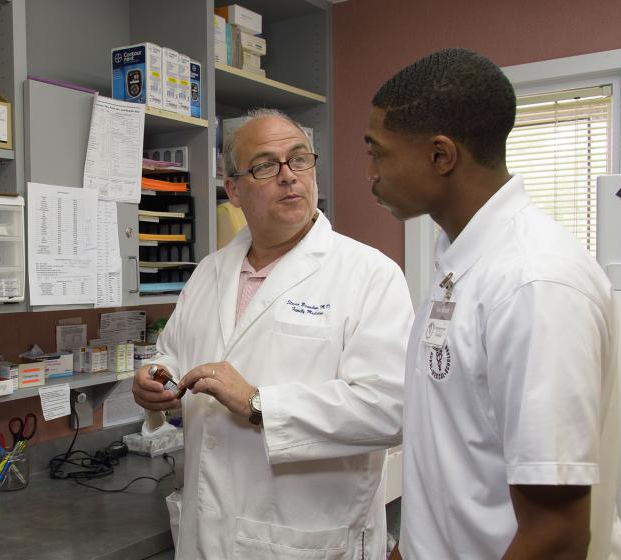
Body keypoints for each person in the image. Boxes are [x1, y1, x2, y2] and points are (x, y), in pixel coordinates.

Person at [365, 48, 621, 559]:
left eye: (378, 153)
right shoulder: (460, 262)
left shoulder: (533, 282)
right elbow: (456, 452)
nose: (370, 173)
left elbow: (556, 536)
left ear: (440, 156)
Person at [133, 108, 414, 559]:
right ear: (234, 190)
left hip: (305, 539)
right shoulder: (209, 272)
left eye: (299, 159)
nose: (288, 176)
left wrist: (261, 404)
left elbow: (391, 409)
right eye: (265, 166)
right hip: (207, 532)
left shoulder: (369, 274)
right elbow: (172, 354)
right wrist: (154, 376)